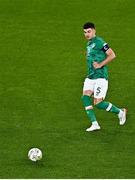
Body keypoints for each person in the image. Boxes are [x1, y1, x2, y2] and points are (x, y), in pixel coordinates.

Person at [82, 22, 127, 132]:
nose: (87, 34)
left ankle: (120, 112)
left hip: (100, 77)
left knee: (99, 103)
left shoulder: (100, 42)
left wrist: (100, 65)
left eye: (89, 31)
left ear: (94, 31)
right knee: (85, 97)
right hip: (91, 76)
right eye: (84, 32)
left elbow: (112, 54)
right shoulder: (89, 43)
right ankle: (95, 124)